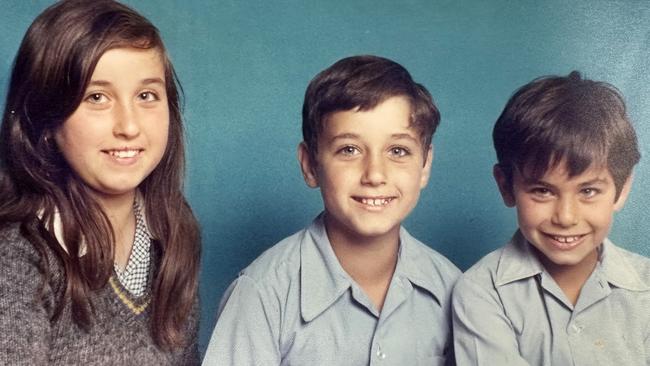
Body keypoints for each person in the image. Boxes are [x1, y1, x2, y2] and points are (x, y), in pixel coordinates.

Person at [202, 55, 460, 365]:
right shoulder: (261, 295)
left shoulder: (453, 290)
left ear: (425, 165)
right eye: (348, 150)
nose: (375, 174)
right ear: (310, 164)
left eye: (398, 151)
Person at [0, 1, 201, 364]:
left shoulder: (172, 230)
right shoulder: (16, 254)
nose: (128, 125)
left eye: (146, 96)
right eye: (97, 97)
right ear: (45, 123)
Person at [452, 71, 649, 365]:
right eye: (543, 191)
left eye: (589, 191)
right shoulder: (481, 293)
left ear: (621, 190)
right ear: (506, 186)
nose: (566, 217)